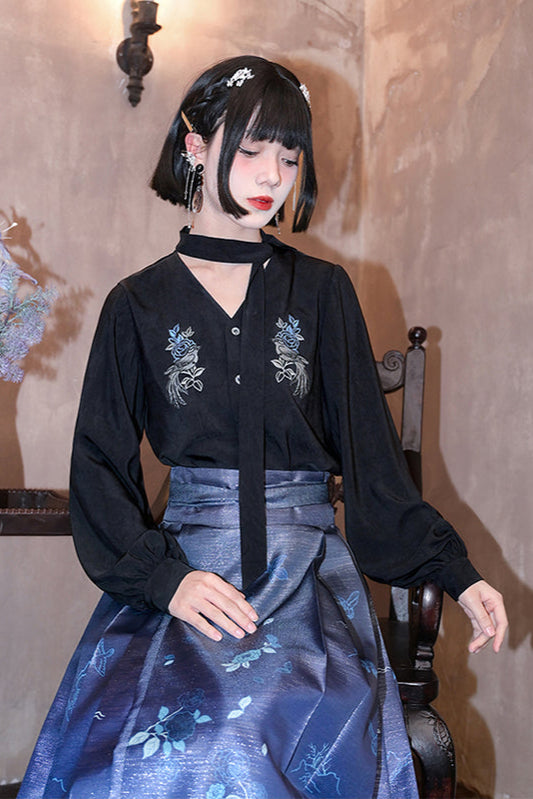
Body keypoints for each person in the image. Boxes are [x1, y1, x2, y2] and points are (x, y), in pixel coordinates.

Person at [18, 55, 507, 799]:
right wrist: (166, 581)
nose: (272, 176)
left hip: (307, 585)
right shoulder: (137, 305)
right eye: (250, 150)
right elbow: (98, 468)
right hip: (186, 583)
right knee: (148, 755)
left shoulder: (323, 292)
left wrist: (457, 573)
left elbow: (373, 463)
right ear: (195, 147)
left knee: (241, 738)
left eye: (289, 156)